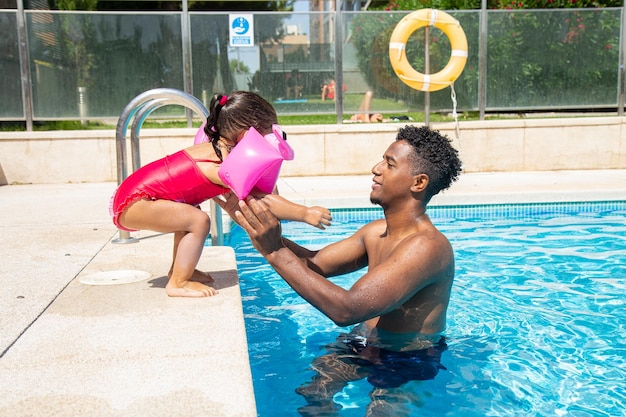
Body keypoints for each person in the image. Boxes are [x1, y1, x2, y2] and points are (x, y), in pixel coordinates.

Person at [230, 125, 462, 414]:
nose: (376, 169)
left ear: (419, 182)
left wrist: (274, 251)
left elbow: (347, 310)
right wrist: (258, 226)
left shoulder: (427, 247)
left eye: (389, 164)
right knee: (313, 396)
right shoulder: (376, 232)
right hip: (360, 341)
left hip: (409, 357)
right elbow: (315, 265)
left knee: (379, 410)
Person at [109, 91, 332, 298]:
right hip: (135, 202)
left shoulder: (220, 151)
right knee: (198, 220)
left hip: (133, 198)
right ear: (248, 136)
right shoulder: (220, 165)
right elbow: (259, 199)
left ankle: (180, 269)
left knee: (188, 214)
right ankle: (178, 282)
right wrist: (304, 212)